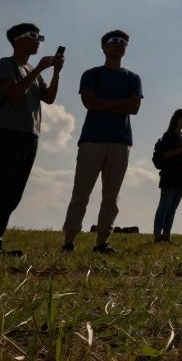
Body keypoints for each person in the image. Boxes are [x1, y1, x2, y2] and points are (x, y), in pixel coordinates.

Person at [0, 23, 64, 254]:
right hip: (6, 133)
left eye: (40, 36)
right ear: (17, 40)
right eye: (33, 36)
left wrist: (55, 72)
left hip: (30, 135)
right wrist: (39, 69)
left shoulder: (30, 67)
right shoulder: (6, 64)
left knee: (13, 192)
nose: (39, 41)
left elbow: (49, 98)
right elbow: (13, 92)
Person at [62, 30, 142, 255]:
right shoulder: (92, 74)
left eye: (124, 42)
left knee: (111, 195)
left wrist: (104, 103)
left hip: (121, 141)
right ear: (104, 47)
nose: (120, 45)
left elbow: (134, 108)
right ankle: (69, 240)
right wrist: (121, 103)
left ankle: (102, 242)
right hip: (92, 140)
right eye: (115, 41)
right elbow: (90, 103)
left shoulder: (133, 78)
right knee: (81, 192)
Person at [153, 109, 182, 243]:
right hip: (170, 175)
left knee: (172, 208)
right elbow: (167, 154)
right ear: (177, 119)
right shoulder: (169, 135)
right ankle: (157, 235)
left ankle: (166, 235)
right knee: (164, 206)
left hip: (181, 176)